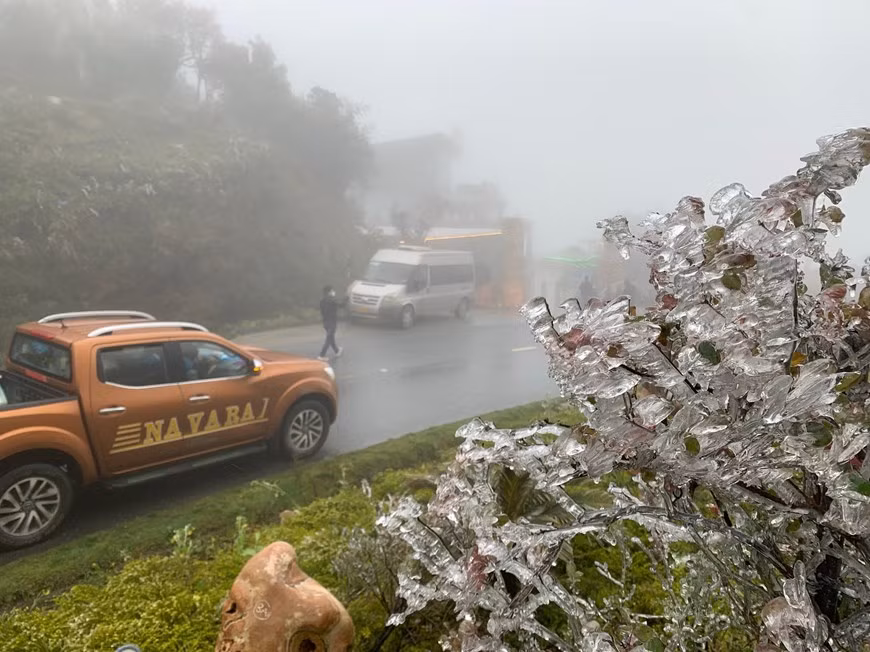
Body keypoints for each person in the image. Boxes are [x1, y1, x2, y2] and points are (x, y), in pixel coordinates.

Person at [318, 285, 346, 361]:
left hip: (325, 322)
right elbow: (341, 305)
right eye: (332, 291)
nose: (333, 292)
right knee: (329, 338)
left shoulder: (322, 300)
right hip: (332, 322)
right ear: (329, 292)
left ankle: (337, 351)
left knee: (331, 337)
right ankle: (321, 355)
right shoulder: (331, 300)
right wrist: (347, 298)